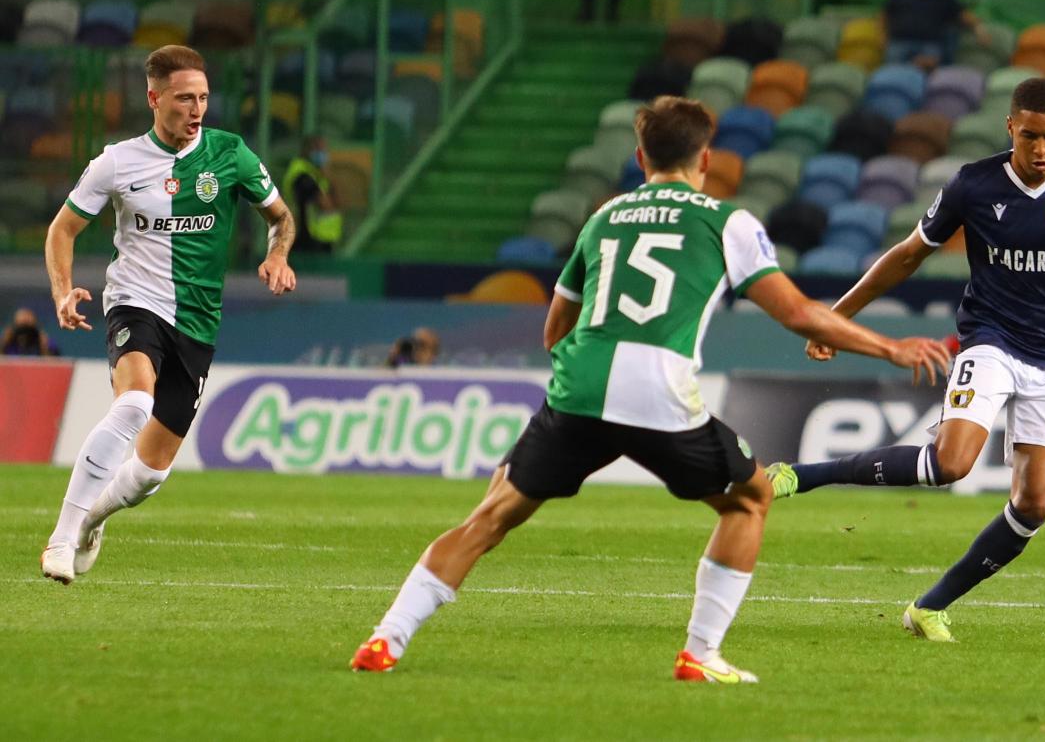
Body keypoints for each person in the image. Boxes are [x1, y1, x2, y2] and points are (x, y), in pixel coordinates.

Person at [349, 96, 951, 680]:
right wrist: (889, 346)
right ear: (707, 159)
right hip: (659, 389)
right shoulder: (726, 221)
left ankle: (385, 638)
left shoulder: (602, 217)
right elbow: (795, 312)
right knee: (749, 499)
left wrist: (583, 388)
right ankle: (701, 654)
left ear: (640, 158)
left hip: (580, 386)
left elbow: (555, 330)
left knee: (490, 517)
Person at [768, 78, 1045, 642]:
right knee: (951, 464)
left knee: (1034, 505)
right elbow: (906, 257)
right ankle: (800, 475)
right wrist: (838, 317)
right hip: (991, 340)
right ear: (1009, 128)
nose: (1040, 150)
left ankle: (929, 607)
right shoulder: (974, 185)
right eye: (1028, 137)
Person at [40, 44, 298, 585]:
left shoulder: (232, 156)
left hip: (198, 322)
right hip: (135, 302)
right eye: (185, 98)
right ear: (155, 99)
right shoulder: (116, 162)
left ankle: (92, 520)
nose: (197, 109)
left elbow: (281, 217)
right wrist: (63, 291)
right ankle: (61, 538)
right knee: (134, 401)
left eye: (203, 97)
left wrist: (278, 253)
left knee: (148, 477)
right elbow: (63, 228)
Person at [882, 0, 990, 70]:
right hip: (900, 43)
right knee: (893, 74)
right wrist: (884, 38)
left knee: (929, 72)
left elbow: (963, 15)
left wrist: (978, 27)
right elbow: (884, 17)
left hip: (929, 45)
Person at [283, 134, 342, 253]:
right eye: (318, 150)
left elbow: (341, 202)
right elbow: (327, 204)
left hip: (321, 240)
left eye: (324, 150)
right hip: (307, 242)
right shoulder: (302, 175)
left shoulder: (316, 173)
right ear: (307, 151)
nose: (323, 154)